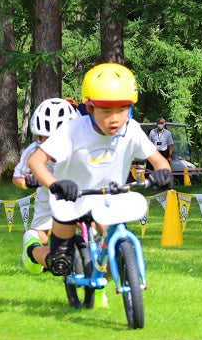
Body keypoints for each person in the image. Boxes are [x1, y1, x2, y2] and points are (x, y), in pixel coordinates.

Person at [22, 63, 173, 285]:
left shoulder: (131, 129)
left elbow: (159, 160)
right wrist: (55, 185)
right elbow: (36, 161)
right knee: (60, 262)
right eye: (106, 111)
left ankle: (112, 271)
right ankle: (32, 249)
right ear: (90, 108)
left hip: (108, 199)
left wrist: (163, 174)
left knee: (115, 264)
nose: (115, 119)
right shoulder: (72, 130)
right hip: (70, 200)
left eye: (122, 110)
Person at [16, 98, 79, 273]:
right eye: (45, 138)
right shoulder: (33, 151)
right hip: (47, 197)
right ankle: (31, 242)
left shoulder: (79, 147)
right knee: (43, 238)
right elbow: (17, 178)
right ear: (37, 136)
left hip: (78, 192)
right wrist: (28, 184)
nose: (50, 144)